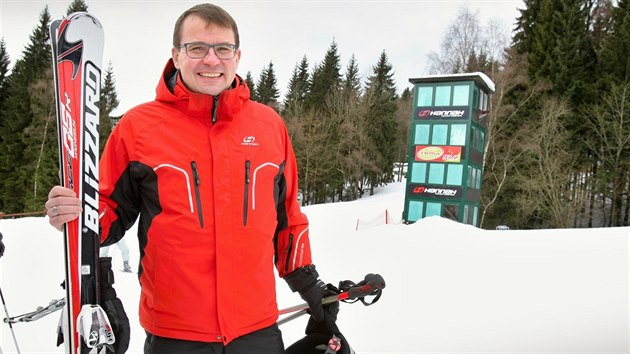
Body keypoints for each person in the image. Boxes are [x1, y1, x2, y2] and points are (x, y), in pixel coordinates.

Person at [45, 3, 334, 353]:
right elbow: (108, 214)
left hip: (256, 330)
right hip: (175, 335)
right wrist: (77, 215)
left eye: (222, 49)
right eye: (196, 48)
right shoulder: (137, 129)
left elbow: (288, 219)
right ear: (176, 55)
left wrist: (310, 286)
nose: (211, 60)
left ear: (237, 56)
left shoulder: (269, 126)